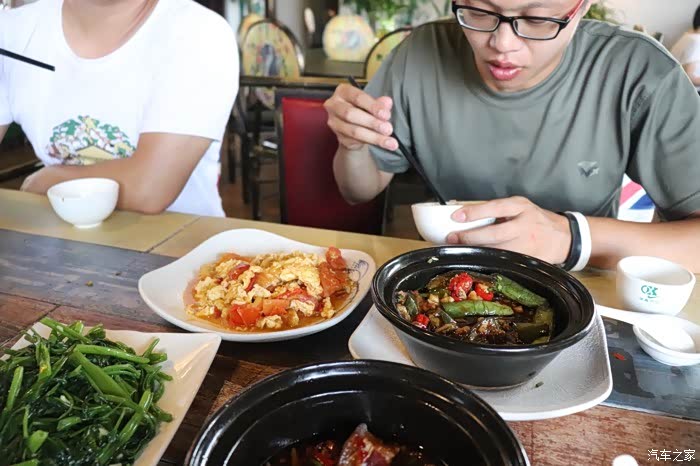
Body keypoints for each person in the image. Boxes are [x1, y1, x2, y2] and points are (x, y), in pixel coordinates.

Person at [325, 0, 700, 272]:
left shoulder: (638, 72)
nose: (503, 44)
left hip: (583, 289)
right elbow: (357, 190)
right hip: (445, 281)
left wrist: (571, 237)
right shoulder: (419, 54)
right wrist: (353, 146)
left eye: (537, 19)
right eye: (479, 12)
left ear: (582, 7)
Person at [0, 0, 239, 216]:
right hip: (60, 237)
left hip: (179, 243)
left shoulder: (198, 33)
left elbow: (148, 189)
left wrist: (48, 180)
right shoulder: (13, 33)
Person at [671, 5, 700, 92]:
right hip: (688, 93)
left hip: (675, 89)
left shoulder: (687, 36)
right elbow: (689, 77)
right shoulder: (697, 41)